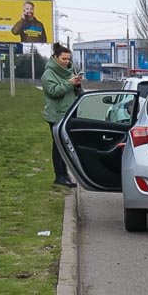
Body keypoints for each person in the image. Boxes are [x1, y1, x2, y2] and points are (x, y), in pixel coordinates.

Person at [42, 43, 82, 188]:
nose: (66, 62)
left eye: (68, 59)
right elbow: (53, 92)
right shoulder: (48, 74)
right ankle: (59, 176)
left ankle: (65, 175)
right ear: (55, 57)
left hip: (69, 114)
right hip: (56, 115)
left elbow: (77, 93)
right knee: (58, 146)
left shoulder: (69, 72)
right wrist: (69, 83)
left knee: (65, 146)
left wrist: (77, 85)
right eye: (63, 59)